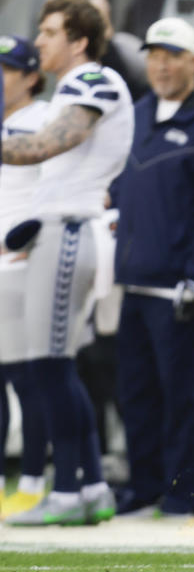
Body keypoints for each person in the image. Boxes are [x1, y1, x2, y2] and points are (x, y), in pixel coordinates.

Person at [0, 0, 134, 526]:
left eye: (50, 31)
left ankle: (69, 489)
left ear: (79, 41)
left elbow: (53, 144)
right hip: (55, 232)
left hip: (71, 230)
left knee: (51, 368)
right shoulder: (69, 88)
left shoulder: (91, 81)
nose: (40, 40)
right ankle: (91, 486)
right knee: (52, 367)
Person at [111, 17, 194, 514]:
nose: (160, 64)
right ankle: (143, 489)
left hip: (180, 287)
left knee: (182, 395)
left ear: (193, 62)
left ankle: (183, 493)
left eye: (171, 54)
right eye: (153, 54)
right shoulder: (137, 114)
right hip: (134, 282)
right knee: (135, 393)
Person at [0, 36, 50, 519]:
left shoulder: (45, 122)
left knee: (27, 380)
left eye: (8, 69)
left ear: (31, 75)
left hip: (19, 267)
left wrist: (25, 244)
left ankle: (34, 478)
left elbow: (51, 193)